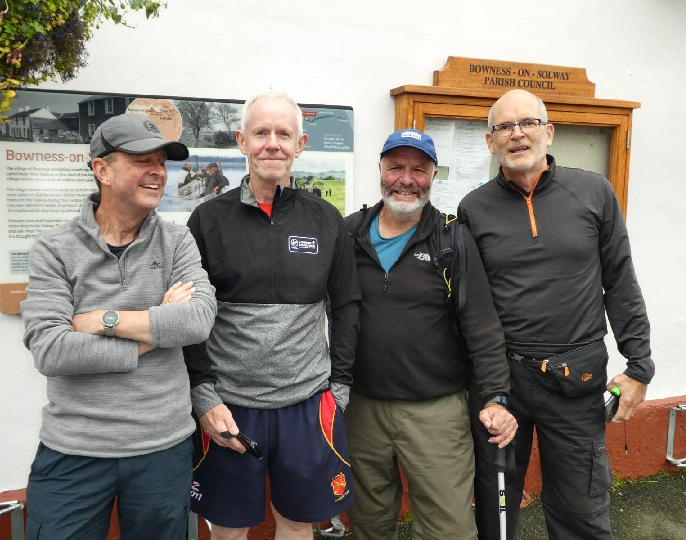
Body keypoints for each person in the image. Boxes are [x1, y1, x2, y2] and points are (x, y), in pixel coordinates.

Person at [458, 89, 654, 540]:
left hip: (576, 379)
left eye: (527, 123)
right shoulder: (473, 208)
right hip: (502, 379)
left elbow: (620, 281)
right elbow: (470, 304)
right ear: (491, 142)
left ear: (548, 132)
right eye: (504, 127)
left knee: (580, 507)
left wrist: (639, 365)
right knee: (497, 505)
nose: (517, 134)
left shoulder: (593, 192)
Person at [21, 114, 218, 540]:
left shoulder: (177, 241)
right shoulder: (54, 249)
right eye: (142, 160)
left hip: (162, 448)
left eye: (161, 162)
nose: (158, 172)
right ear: (102, 169)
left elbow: (200, 319)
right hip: (74, 449)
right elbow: (52, 350)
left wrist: (103, 320)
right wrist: (153, 336)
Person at [184, 90, 361, 540]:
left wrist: (337, 389)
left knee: (299, 526)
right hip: (230, 408)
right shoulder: (207, 220)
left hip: (307, 406)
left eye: (284, 134)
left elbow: (345, 307)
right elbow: (189, 316)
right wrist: (204, 395)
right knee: (227, 530)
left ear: (300, 145)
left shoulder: (327, 220)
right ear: (242, 141)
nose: (272, 143)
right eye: (261, 133)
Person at [344, 129, 517, 540]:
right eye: (396, 167)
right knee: (368, 522)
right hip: (361, 408)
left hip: (435, 413)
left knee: (448, 528)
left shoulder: (451, 239)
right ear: (381, 170)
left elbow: (483, 326)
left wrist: (496, 396)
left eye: (418, 169)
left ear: (433, 175)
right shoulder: (348, 234)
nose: (406, 179)